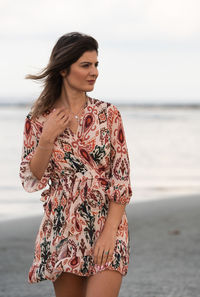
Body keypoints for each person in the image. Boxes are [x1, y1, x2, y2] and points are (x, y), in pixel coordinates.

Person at [19, 32, 133, 297]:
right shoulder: (37, 119)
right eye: (85, 65)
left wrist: (109, 233)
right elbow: (33, 177)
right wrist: (47, 137)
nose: (94, 72)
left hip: (107, 221)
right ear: (63, 69)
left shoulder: (108, 114)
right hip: (62, 226)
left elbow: (121, 177)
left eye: (96, 65)